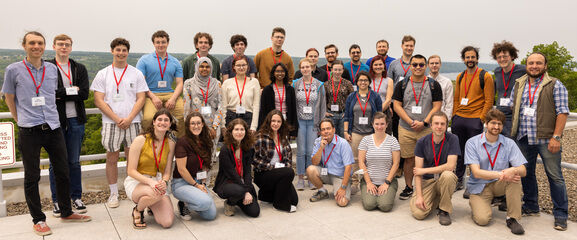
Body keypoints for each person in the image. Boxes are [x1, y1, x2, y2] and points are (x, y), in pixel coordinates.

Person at [2, 31, 91, 236]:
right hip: (29, 129)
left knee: (63, 170)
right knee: (32, 176)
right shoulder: (13, 69)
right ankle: (38, 219)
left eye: (40, 43)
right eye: (32, 43)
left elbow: (56, 94)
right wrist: (18, 119)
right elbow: (9, 97)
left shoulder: (51, 69)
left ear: (44, 46)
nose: (36, 46)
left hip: (53, 127)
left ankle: (66, 212)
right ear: (24, 45)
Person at [510, 52, 570, 231]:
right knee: (526, 173)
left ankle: (560, 215)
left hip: (546, 139)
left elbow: (562, 112)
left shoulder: (554, 85)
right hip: (523, 137)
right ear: (526, 65)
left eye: (538, 63)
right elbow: (515, 109)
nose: (534, 66)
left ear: (545, 66)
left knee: (555, 176)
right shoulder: (519, 83)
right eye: (531, 63)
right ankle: (531, 206)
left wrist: (556, 137)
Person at [91, 38, 149, 208]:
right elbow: (98, 100)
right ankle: (114, 193)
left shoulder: (136, 73)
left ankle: (134, 190)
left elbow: (141, 98)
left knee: (135, 158)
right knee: (112, 157)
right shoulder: (103, 73)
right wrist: (117, 119)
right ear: (112, 51)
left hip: (134, 121)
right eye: (118, 50)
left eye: (124, 50)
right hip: (111, 123)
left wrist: (130, 118)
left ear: (127, 52)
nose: (121, 53)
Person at [465, 109, 527, 235]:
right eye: (493, 123)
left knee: (515, 177)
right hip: (479, 186)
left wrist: (514, 169)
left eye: (499, 124)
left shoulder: (509, 143)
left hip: (499, 183)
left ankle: (512, 218)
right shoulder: (472, 143)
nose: (496, 126)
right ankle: (478, 203)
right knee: (483, 220)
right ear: (486, 124)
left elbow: (523, 170)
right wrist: (503, 174)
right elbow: (476, 173)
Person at [47, 34, 90, 216]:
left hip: (76, 120)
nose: (63, 47)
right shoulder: (47, 67)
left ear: (71, 47)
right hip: (55, 121)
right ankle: (57, 200)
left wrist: (61, 93)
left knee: (74, 161)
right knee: (55, 163)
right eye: (60, 44)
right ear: (54, 46)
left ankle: (76, 196)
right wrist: (70, 91)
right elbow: (48, 93)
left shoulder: (79, 68)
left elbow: (85, 93)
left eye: (67, 45)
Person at [392, 54, 442, 200]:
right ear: (410, 66)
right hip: (406, 129)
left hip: (426, 129)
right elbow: (396, 105)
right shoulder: (402, 84)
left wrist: (425, 122)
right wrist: (409, 121)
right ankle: (409, 186)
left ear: (425, 66)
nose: (418, 67)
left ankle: (427, 187)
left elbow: (437, 106)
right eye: (414, 65)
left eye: (421, 64)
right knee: (408, 159)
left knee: (428, 159)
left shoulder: (433, 84)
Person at [452, 46, 495, 195]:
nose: (470, 60)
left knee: (475, 154)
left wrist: (481, 118)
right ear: (463, 59)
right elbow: (456, 98)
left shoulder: (485, 76)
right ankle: (458, 180)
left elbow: (489, 100)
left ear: (477, 58)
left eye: (472, 57)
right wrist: (454, 115)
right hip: (459, 119)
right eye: (467, 57)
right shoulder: (460, 76)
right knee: (459, 152)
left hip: (475, 119)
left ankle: (473, 184)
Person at [125, 109, 176, 229]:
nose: (162, 122)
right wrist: (150, 182)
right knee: (156, 192)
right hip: (138, 181)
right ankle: (138, 210)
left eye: (166, 120)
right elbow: (131, 171)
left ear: (169, 125)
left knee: (167, 222)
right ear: (153, 122)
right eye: (159, 119)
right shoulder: (140, 140)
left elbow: (168, 171)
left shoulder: (171, 142)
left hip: (157, 182)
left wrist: (164, 181)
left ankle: (150, 203)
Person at [410, 112, 460, 225]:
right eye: (436, 123)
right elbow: (417, 172)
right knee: (419, 214)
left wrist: (425, 170)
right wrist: (419, 196)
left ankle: (444, 210)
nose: (439, 126)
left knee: (448, 175)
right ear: (431, 125)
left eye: (442, 124)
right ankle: (437, 198)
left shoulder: (453, 139)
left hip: (443, 179)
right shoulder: (421, 142)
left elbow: (450, 166)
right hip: (426, 181)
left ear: (446, 126)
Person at [136, 30, 185, 136]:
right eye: (157, 42)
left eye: (163, 42)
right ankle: (149, 142)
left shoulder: (175, 62)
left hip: (170, 94)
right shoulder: (144, 60)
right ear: (153, 43)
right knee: (148, 118)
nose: (160, 45)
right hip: (150, 94)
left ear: (168, 43)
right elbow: (140, 83)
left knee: (183, 116)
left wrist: (173, 99)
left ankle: (178, 143)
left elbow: (180, 83)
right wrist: (153, 97)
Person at [171, 112, 217, 221]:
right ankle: (184, 204)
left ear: (202, 125)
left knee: (211, 215)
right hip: (181, 183)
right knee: (206, 202)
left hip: (199, 181)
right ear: (188, 126)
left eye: (198, 123)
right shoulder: (182, 142)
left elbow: (205, 165)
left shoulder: (206, 141)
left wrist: (203, 183)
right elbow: (181, 169)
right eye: (192, 123)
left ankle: (190, 202)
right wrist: (196, 185)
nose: (196, 126)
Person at [344, 71, 382, 194]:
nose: (363, 82)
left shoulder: (375, 96)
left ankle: (369, 181)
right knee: (355, 159)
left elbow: (379, 115)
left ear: (369, 82)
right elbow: (347, 116)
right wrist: (346, 131)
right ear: (357, 82)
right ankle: (355, 182)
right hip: (355, 132)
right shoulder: (351, 97)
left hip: (371, 133)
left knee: (370, 159)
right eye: (360, 80)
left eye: (365, 80)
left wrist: (378, 132)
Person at [213, 119, 260, 217]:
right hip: (227, 183)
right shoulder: (225, 150)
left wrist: (246, 190)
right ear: (231, 132)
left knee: (254, 212)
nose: (239, 132)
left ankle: (238, 199)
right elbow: (231, 174)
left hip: (242, 183)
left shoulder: (249, 148)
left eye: (242, 129)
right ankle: (230, 203)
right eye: (236, 129)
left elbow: (247, 172)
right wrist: (246, 191)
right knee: (239, 191)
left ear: (246, 132)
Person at [253, 110, 299, 212]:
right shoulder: (260, 137)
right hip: (263, 173)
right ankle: (279, 204)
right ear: (269, 121)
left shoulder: (283, 136)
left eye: (278, 121)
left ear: (282, 123)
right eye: (273, 121)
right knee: (289, 172)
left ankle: (266, 195)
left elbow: (288, 157)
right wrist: (274, 168)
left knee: (294, 201)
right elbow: (255, 161)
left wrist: (284, 167)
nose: (276, 124)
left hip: (281, 172)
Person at [293, 58, 327, 190]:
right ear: (300, 69)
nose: (305, 69)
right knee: (301, 151)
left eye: (308, 67)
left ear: (312, 68)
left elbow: (323, 106)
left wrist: (322, 124)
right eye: (303, 67)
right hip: (300, 121)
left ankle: (311, 177)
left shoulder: (319, 85)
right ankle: (301, 177)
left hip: (314, 122)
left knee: (311, 151)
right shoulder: (295, 84)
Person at [182, 57, 224, 163]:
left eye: (207, 67)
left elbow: (220, 106)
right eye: (201, 66)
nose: (204, 69)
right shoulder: (189, 83)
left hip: (213, 125)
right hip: (195, 126)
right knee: (196, 157)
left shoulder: (217, 83)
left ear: (211, 68)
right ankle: (195, 179)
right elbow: (186, 107)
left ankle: (207, 179)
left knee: (209, 157)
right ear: (197, 67)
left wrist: (214, 127)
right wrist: (189, 127)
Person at [358, 112, 400, 212]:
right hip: (369, 181)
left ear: (387, 125)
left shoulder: (393, 141)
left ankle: (385, 194)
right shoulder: (366, 140)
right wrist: (368, 182)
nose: (379, 127)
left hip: (387, 181)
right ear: (372, 124)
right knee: (369, 205)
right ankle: (370, 192)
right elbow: (361, 162)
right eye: (377, 124)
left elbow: (396, 164)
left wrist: (386, 183)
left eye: (382, 124)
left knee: (385, 206)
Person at [307, 119, 355, 207]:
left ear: (334, 130)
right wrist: (321, 148)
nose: (326, 131)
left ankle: (347, 186)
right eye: (323, 129)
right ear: (320, 132)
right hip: (326, 173)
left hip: (340, 176)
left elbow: (348, 167)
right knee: (310, 170)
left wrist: (343, 188)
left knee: (342, 202)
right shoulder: (318, 141)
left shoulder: (343, 143)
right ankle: (322, 191)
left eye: (328, 129)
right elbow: (314, 162)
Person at [491, 41, 526, 137]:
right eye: (499, 57)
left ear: (512, 56)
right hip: (499, 116)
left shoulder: (523, 70)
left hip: (515, 117)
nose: (502, 59)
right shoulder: (497, 71)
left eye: (505, 56)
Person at [221, 56, 261, 132]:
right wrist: (223, 125)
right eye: (238, 65)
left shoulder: (254, 82)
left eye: (244, 65)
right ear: (234, 67)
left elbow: (256, 106)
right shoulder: (227, 83)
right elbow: (223, 106)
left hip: (247, 118)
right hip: (231, 118)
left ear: (247, 66)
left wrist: (253, 127)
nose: (241, 67)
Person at [258, 63, 298, 137]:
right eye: (277, 71)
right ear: (273, 73)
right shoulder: (267, 90)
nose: (280, 73)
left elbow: (293, 109)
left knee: (284, 143)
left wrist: (294, 129)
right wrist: (261, 127)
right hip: (272, 121)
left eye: (282, 71)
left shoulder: (290, 89)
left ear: (285, 73)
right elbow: (263, 110)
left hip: (286, 120)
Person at [324, 60, 354, 138]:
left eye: (340, 70)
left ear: (343, 70)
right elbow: (323, 99)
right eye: (335, 69)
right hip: (330, 115)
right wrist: (325, 111)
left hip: (343, 115)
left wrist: (348, 112)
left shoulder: (348, 83)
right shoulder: (326, 84)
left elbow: (352, 99)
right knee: (331, 138)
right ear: (332, 70)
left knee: (343, 139)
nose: (337, 72)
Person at [369, 55, 394, 134]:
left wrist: (377, 113)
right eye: (375, 65)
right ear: (372, 66)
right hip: (368, 111)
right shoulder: (368, 79)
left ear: (384, 66)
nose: (378, 67)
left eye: (380, 64)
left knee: (385, 136)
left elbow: (388, 99)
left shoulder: (389, 80)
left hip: (384, 112)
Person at [427, 55, 453, 120]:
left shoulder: (447, 82)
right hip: (426, 118)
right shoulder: (424, 81)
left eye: (437, 63)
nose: (434, 65)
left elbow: (449, 103)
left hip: (441, 118)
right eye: (432, 63)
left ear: (440, 65)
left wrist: (446, 119)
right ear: (428, 65)